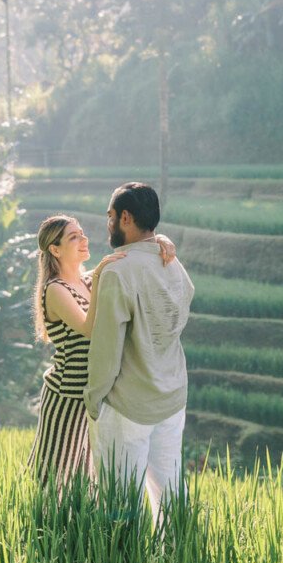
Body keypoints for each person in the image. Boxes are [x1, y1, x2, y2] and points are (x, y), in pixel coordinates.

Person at [27, 213, 175, 486]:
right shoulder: (56, 289)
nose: (84, 239)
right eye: (74, 237)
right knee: (52, 478)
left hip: (93, 395)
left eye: (82, 233)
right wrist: (99, 275)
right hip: (66, 397)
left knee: (87, 480)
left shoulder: (88, 281)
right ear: (55, 249)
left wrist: (161, 241)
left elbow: (130, 258)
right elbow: (89, 328)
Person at [83, 183, 195, 519]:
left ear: (126, 218)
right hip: (171, 396)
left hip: (128, 406)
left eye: (111, 217)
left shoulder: (118, 271)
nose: (108, 224)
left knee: (120, 505)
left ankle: (125, 554)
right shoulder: (172, 262)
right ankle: (177, 549)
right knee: (170, 493)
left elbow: (106, 349)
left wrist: (93, 399)